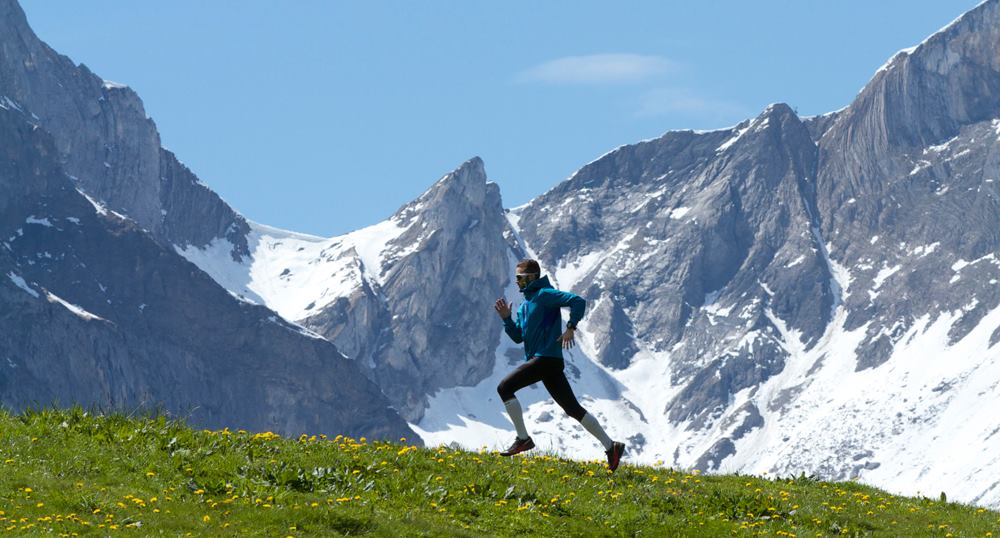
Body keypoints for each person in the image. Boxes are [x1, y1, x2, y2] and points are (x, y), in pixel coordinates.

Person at [493, 258, 626, 471]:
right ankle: (612, 447)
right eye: (516, 278)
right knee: (572, 408)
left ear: (532, 278)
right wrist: (507, 319)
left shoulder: (545, 295)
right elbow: (519, 337)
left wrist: (571, 327)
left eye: (520, 278)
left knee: (504, 388)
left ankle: (523, 439)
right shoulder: (525, 306)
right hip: (546, 363)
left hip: (546, 358)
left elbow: (578, 301)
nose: (516, 282)